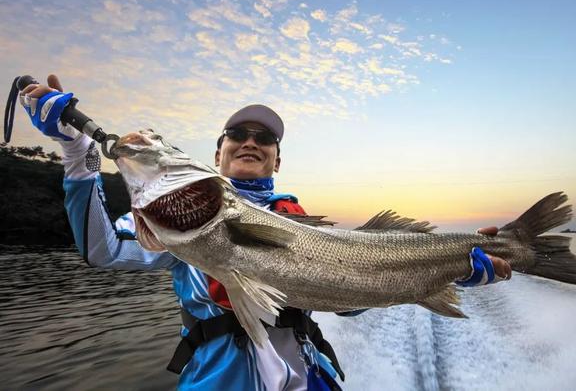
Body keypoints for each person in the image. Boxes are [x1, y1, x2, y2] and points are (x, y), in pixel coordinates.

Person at [20, 74, 512, 391]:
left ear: (278, 158)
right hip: (216, 379)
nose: (251, 142)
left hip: (310, 374)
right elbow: (103, 250)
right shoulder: (168, 226)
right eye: (238, 135)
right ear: (216, 155)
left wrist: (443, 273)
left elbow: (348, 299)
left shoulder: (294, 219)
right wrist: (75, 155)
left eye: (265, 139)